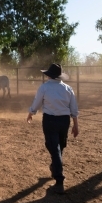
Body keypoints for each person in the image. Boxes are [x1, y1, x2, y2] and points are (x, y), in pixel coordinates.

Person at [27, 63, 79, 194]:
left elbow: (37, 102)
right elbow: (74, 108)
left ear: (49, 75)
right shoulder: (68, 88)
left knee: (53, 147)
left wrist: (31, 113)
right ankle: (55, 167)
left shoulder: (44, 88)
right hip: (64, 121)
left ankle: (59, 180)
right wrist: (76, 124)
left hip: (50, 120)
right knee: (60, 146)